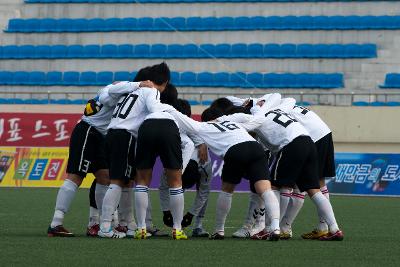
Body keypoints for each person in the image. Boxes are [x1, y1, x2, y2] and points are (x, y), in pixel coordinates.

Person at [227, 98, 344, 241]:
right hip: (308, 142)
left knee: (275, 186)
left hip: (292, 145)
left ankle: (271, 229)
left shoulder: (254, 119)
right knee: (314, 189)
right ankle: (334, 228)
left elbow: (260, 143)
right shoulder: (277, 110)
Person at [47, 79, 152, 237]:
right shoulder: (114, 89)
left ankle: (100, 224)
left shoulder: (128, 94)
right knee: (75, 176)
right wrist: (138, 84)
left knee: (105, 177)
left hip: (102, 136)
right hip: (88, 131)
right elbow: (107, 95)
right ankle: (56, 223)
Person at [166, 106, 281, 241]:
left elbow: (181, 119)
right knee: (266, 190)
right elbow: (259, 119)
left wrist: (167, 109)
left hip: (234, 151)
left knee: (227, 190)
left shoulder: (202, 126)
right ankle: (275, 227)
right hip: (256, 147)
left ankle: (219, 230)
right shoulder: (231, 120)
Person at [98, 62, 171, 239]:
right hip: (125, 136)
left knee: (125, 181)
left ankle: (128, 224)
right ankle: (105, 227)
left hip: (112, 134)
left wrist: (136, 84)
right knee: (117, 181)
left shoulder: (130, 90)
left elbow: (108, 93)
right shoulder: (152, 91)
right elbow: (155, 111)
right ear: (165, 82)